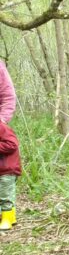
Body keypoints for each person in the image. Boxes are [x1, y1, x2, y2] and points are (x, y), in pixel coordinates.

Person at [0, 59, 18, 231]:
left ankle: (7, 216)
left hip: (6, 170)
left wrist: (1, 121)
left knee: (5, 192)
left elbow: (7, 95)